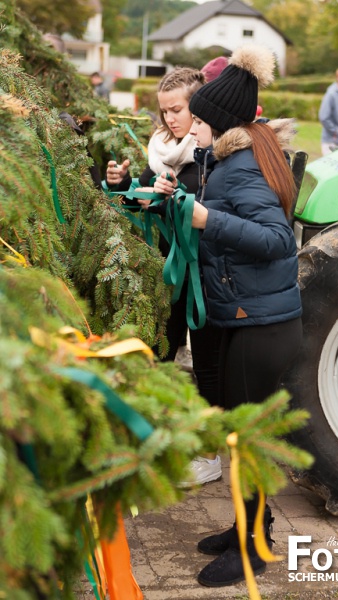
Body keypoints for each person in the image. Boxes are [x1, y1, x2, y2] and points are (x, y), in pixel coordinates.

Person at [154, 45, 302, 588]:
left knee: (245, 440)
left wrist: (204, 218)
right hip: (250, 319)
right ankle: (248, 525)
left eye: (195, 120)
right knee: (240, 435)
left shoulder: (241, 170)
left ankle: (251, 549)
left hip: (261, 326)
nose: (187, 129)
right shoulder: (232, 159)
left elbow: (275, 239)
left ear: (215, 122)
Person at [105, 67, 225, 485]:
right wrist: (119, 183)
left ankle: (210, 454)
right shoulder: (162, 148)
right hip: (169, 275)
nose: (170, 119)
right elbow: (140, 198)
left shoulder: (213, 153)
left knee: (208, 365)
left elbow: (213, 211)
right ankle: (150, 440)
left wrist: (176, 199)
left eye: (178, 110)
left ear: (200, 107)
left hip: (204, 278)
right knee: (160, 352)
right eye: (165, 111)